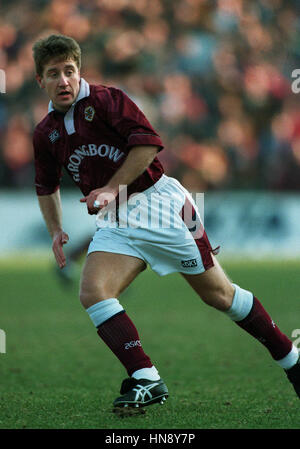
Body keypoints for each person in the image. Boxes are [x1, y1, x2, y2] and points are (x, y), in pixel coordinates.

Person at [32, 34, 299, 413]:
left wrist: (110, 187)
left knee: (220, 296)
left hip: (165, 204)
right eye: (53, 74)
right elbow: (46, 185)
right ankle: (146, 378)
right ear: (39, 81)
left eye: (69, 71)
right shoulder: (45, 133)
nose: (63, 80)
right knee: (93, 291)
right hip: (118, 218)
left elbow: (148, 146)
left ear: (80, 72)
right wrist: (55, 229)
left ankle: (291, 359)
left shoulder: (109, 100)